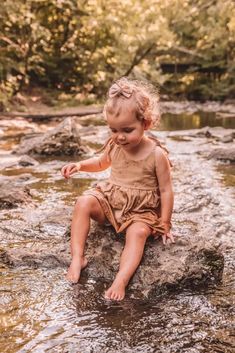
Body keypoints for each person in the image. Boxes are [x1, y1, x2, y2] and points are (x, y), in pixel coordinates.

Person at [61, 77, 174, 301]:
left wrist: (165, 222)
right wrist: (81, 165)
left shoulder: (156, 155)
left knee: (138, 232)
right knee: (83, 202)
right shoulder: (116, 144)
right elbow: (102, 162)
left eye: (127, 130)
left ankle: (121, 279)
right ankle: (77, 257)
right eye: (113, 130)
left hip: (140, 211)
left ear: (146, 123)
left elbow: (166, 191)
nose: (120, 136)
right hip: (112, 202)